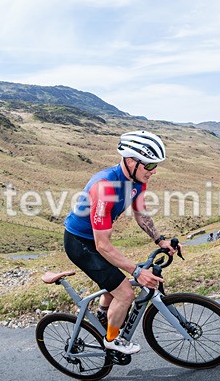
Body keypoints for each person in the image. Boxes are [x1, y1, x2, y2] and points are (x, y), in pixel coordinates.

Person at [63, 130, 175, 354]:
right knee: (125, 293)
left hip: (98, 241)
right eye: (150, 165)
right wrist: (136, 272)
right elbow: (102, 246)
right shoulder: (105, 187)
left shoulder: (137, 181)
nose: (153, 171)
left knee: (114, 280)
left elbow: (141, 214)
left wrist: (160, 240)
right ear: (131, 161)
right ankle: (112, 340)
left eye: (155, 165)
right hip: (81, 244)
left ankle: (104, 316)